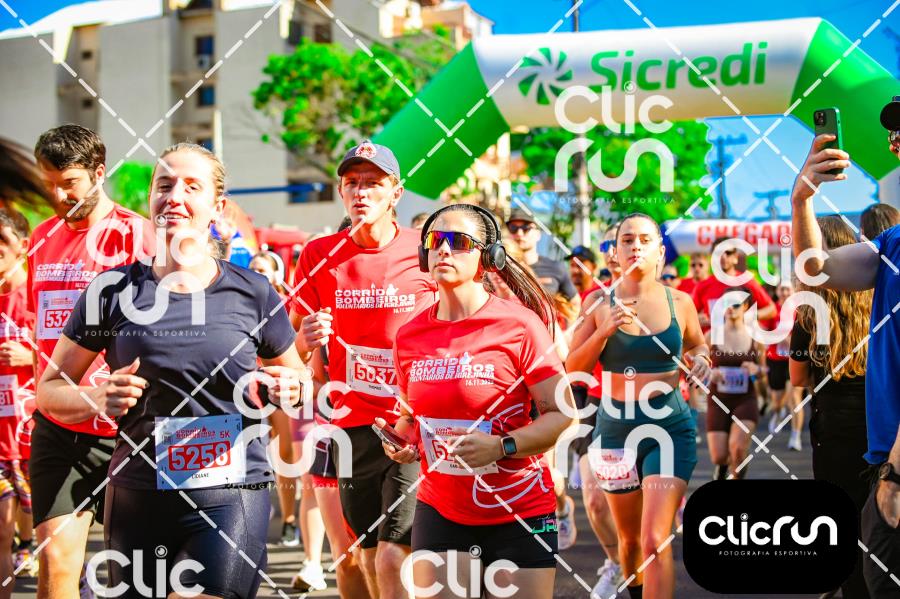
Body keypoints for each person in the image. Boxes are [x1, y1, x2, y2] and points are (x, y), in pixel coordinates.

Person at [38, 142, 305, 598]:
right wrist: (95, 398)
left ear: (217, 206)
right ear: (150, 199)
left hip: (231, 491)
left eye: (191, 187)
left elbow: (298, 377)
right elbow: (49, 390)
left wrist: (291, 386)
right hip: (138, 491)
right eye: (164, 185)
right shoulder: (111, 291)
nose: (174, 196)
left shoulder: (253, 291)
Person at [380, 203, 574, 598]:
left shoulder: (519, 325)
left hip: (519, 509)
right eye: (436, 240)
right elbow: (411, 416)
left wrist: (502, 446)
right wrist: (403, 440)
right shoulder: (409, 335)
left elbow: (561, 413)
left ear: (488, 258)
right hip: (441, 508)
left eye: (458, 242)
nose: (443, 249)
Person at [290, 140, 437, 599]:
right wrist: (305, 339)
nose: (361, 192)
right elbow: (287, 347)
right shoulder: (318, 254)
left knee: (394, 555)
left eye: (373, 183)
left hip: (411, 424)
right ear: (340, 191)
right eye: (352, 182)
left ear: (396, 192)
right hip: (350, 426)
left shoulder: (426, 249)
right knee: (367, 556)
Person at [29, 124, 154, 598]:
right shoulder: (40, 238)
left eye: (70, 183)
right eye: (48, 183)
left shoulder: (139, 235)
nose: (58, 195)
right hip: (60, 421)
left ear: (99, 173)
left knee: (137, 573)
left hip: (129, 426)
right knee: (56, 563)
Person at [567, 213, 711, 599]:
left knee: (654, 540)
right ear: (615, 251)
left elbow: (698, 344)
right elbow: (573, 369)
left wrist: (701, 360)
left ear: (661, 252)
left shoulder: (680, 301)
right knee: (629, 542)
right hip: (615, 429)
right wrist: (603, 330)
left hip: (669, 428)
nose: (636, 247)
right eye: (627, 240)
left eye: (645, 240)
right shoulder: (599, 302)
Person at [789, 104, 899, 596]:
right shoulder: (893, 243)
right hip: (884, 461)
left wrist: (897, 469)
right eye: (895, 135)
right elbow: (815, 271)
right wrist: (802, 200)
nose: (895, 143)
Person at [790, 215, 872, 599]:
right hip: (878, 424)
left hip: (832, 430)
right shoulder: (875, 302)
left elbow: (797, 378)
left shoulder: (808, 313)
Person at [249, 250, 299, 546]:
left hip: (276, 380)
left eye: (263, 271)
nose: (256, 274)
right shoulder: (239, 298)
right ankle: (253, 511)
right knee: (251, 448)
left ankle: (289, 519)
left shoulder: (286, 302)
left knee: (284, 452)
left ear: (276, 276)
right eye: (253, 269)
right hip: (248, 381)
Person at [0, 209, 35, 598]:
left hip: (33, 434)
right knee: (0, 531)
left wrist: (32, 357)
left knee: (49, 529)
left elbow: (80, 359)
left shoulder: (37, 296)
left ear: (23, 246)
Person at [705, 288, 765, 480]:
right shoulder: (711, 336)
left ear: (746, 307)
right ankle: (722, 468)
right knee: (719, 456)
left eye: (736, 304)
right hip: (718, 400)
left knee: (737, 448)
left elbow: (764, 372)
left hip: (745, 399)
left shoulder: (756, 337)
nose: (730, 308)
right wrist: (711, 373)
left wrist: (757, 370)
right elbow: (698, 368)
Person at [692, 237, 776, 331]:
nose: (723, 256)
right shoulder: (702, 286)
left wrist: (746, 317)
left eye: (728, 252)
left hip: (740, 338)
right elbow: (689, 314)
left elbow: (771, 309)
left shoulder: (747, 282)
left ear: (735, 257)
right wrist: (697, 318)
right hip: (712, 338)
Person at [506, 209, 579, 307]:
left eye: (526, 228)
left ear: (538, 234)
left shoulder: (556, 268)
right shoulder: (500, 269)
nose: (519, 233)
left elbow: (575, 304)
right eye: (513, 228)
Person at [764, 282, 805, 452]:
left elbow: (807, 336)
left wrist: (791, 341)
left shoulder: (800, 311)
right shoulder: (771, 310)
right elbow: (763, 334)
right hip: (776, 360)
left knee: (794, 398)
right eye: (782, 289)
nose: (785, 292)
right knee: (777, 401)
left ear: (794, 291)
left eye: (788, 289)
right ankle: (777, 412)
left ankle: (796, 436)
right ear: (777, 291)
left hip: (795, 359)